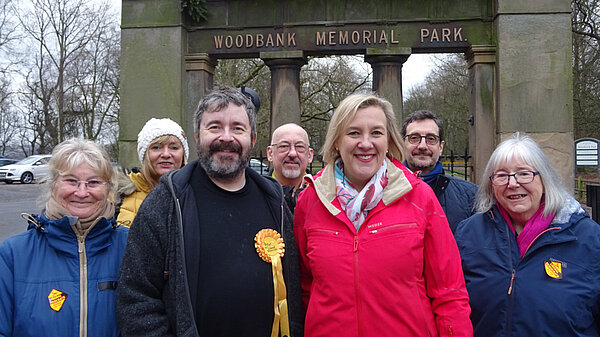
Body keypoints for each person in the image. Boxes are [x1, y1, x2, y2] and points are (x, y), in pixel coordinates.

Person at [116, 86, 303, 337]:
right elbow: (136, 298)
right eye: (214, 127)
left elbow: (296, 293)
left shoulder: (277, 203)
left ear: (253, 139)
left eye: (238, 128)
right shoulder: (166, 202)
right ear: (197, 135)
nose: (226, 137)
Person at [294, 93, 472, 337]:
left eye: (376, 133)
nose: (365, 143)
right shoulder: (310, 201)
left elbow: (449, 291)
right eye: (353, 133)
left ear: (389, 141)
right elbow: (305, 288)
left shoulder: (420, 197)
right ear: (336, 141)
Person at [454, 133, 600, 337]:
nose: (512, 183)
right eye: (501, 175)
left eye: (524, 174)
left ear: (544, 179)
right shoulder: (469, 234)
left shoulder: (589, 238)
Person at [0, 138, 128, 337]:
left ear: (108, 189)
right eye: (71, 181)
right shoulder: (12, 255)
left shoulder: (131, 247)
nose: (82, 192)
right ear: (52, 185)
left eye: (93, 182)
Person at [400, 110, 477, 232]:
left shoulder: (471, 196)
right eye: (414, 138)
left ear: (441, 147)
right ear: (402, 144)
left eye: (431, 139)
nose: (422, 146)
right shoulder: (383, 194)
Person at [117, 117, 189, 226]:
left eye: (174, 148)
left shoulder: (196, 194)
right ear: (145, 154)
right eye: (156, 147)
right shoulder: (119, 194)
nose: (165, 154)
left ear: (183, 154)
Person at [267, 123, 314, 211]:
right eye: (284, 146)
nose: (292, 153)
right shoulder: (255, 195)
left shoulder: (324, 196)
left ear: (310, 155)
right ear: (270, 153)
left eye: (300, 146)